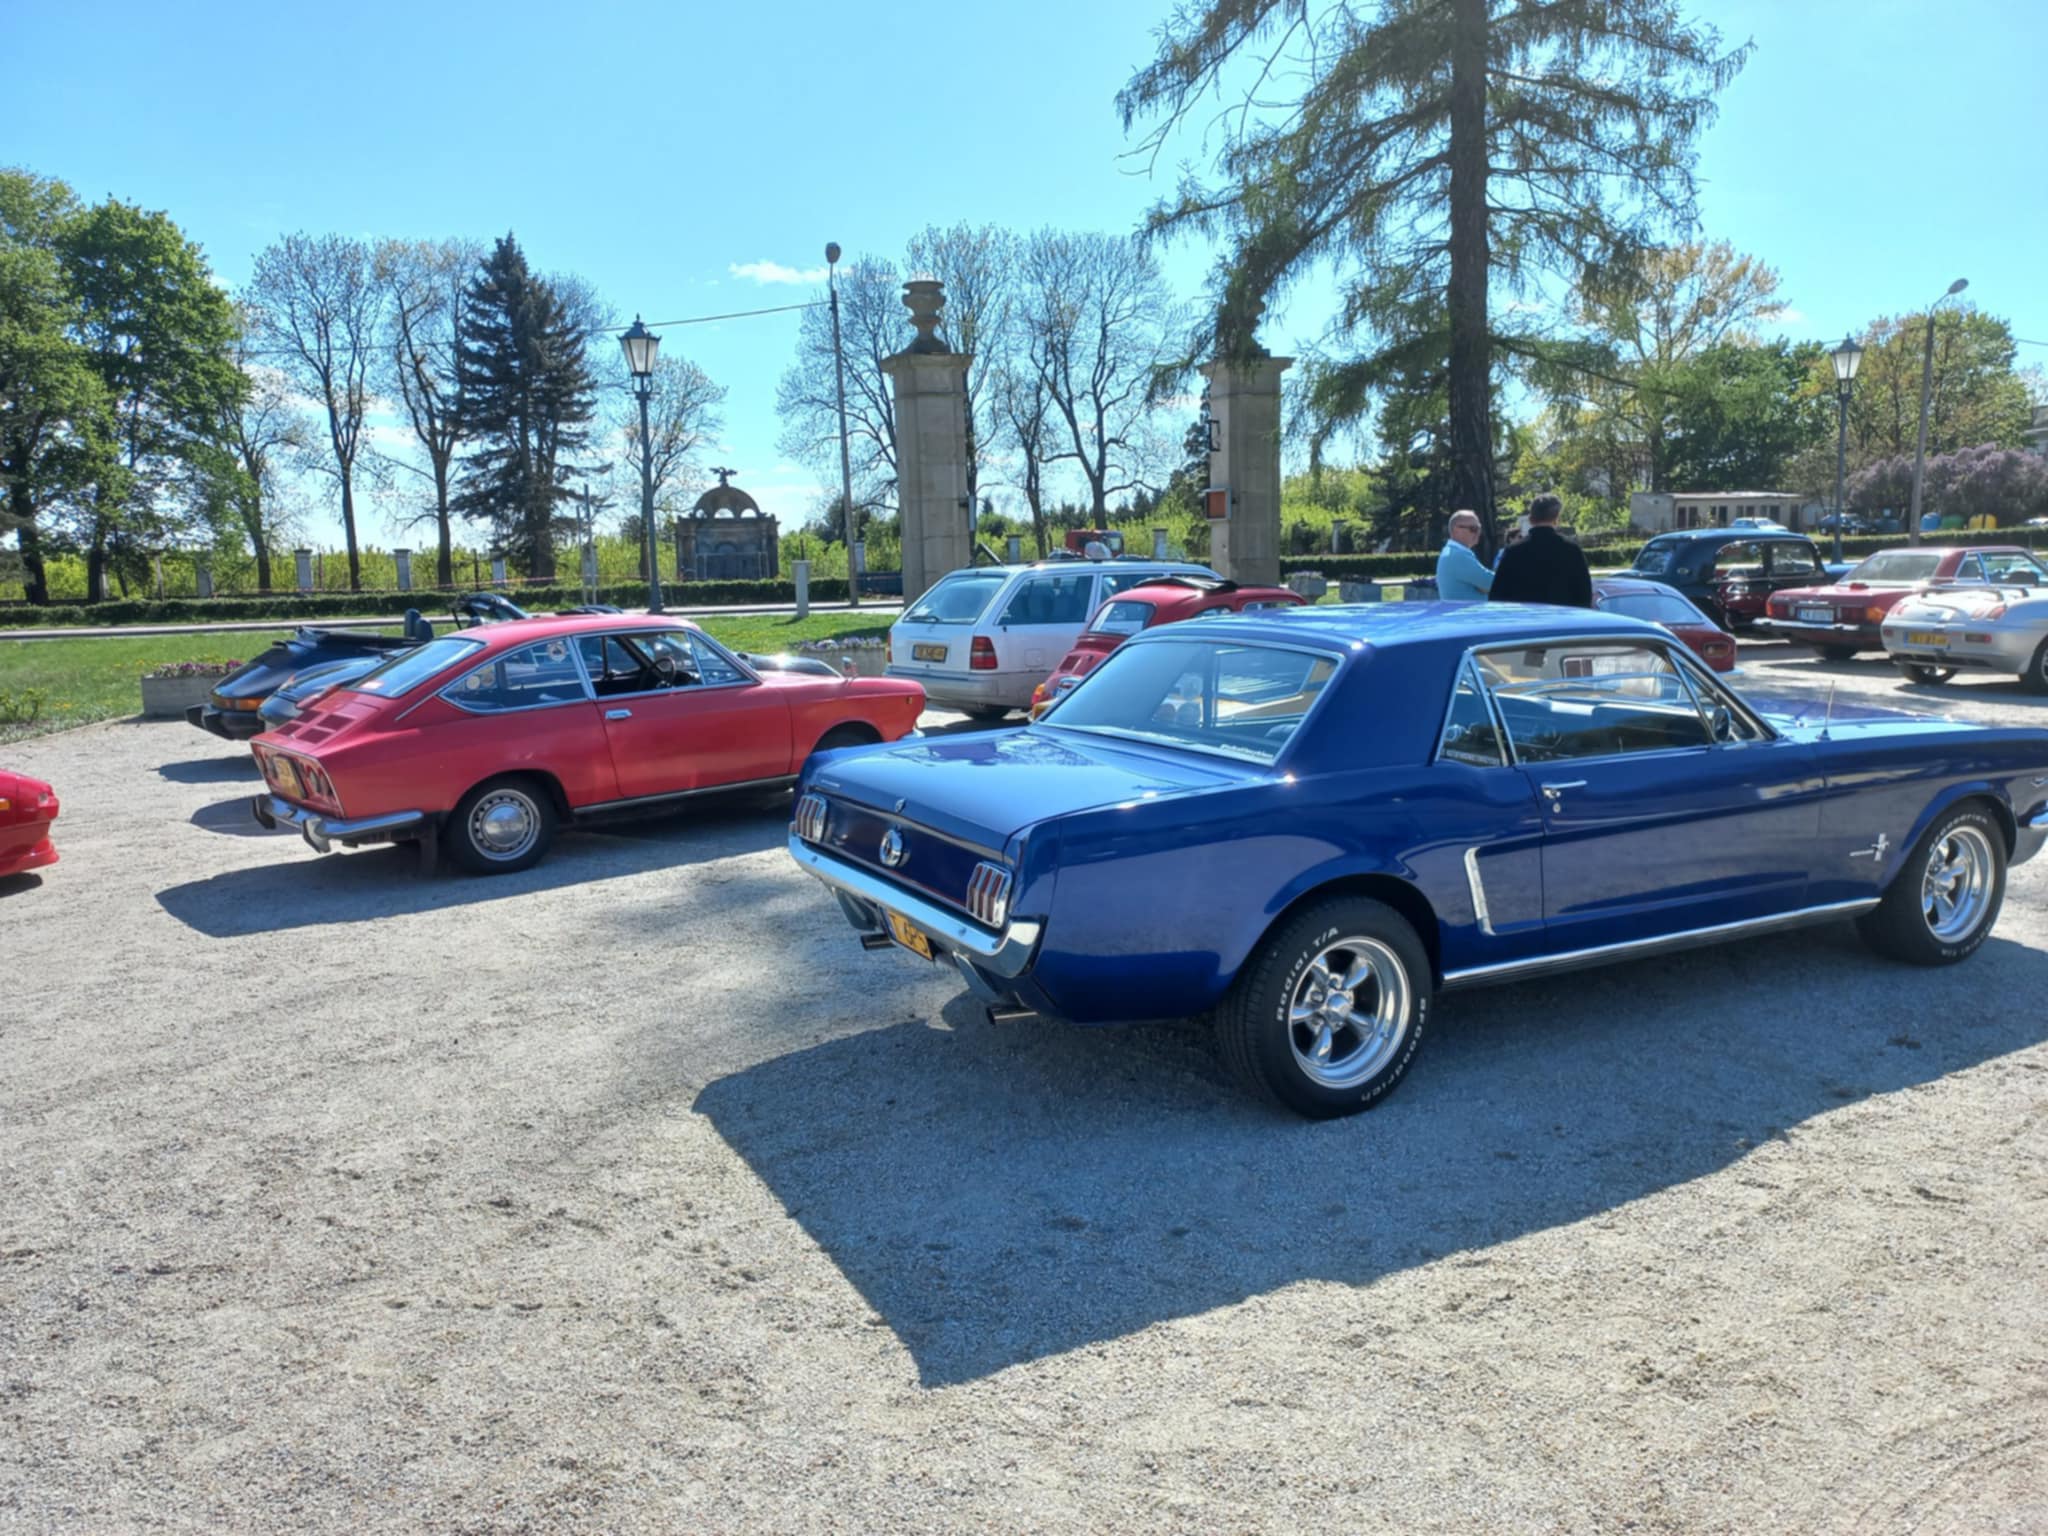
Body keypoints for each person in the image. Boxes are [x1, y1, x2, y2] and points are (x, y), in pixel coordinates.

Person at [1489, 494, 1592, 607]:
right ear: (1557, 519)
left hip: (1524, 614)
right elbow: (1584, 594)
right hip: (1562, 614)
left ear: (1531, 519)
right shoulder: (1572, 550)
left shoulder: (1513, 551)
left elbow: (1497, 594)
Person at [1434, 509, 1495, 600]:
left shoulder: (1452, 552)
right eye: (1473, 529)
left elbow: (1487, 584)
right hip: (1468, 609)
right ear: (1456, 530)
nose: (1478, 533)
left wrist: (1483, 587)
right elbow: (1494, 583)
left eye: (1479, 528)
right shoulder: (1457, 556)